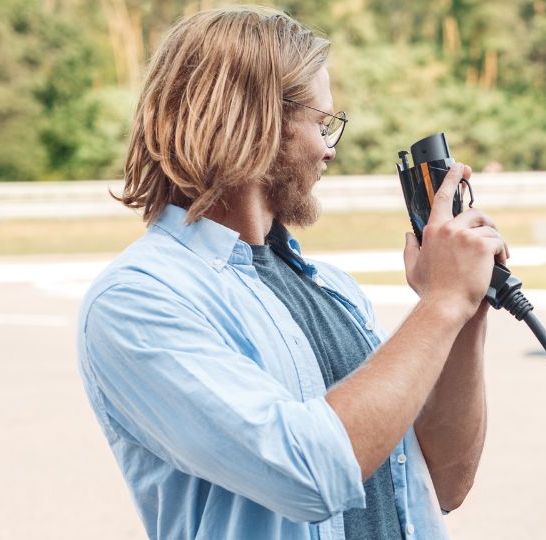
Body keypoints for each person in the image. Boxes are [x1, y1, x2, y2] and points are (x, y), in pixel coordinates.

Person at [76, 6, 505, 539]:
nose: (329, 149)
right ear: (258, 118)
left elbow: (443, 482)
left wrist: (467, 305)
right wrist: (441, 303)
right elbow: (307, 475)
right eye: (322, 123)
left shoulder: (331, 289)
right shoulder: (138, 300)